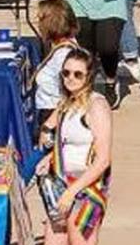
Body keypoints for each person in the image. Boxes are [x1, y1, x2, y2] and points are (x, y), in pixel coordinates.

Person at [39, 49, 114, 245]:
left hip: (87, 187)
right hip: (63, 183)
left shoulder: (96, 106)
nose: (70, 78)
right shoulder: (68, 101)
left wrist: (71, 193)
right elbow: (59, 137)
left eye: (77, 74)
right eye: (66, 73)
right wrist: (50, 157)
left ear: (89, 76)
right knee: (53, 239)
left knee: (78, 238)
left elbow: (103, 159)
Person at [33, 0, 81, 128]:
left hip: (55, 115)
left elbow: (71, 93)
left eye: (40, 19)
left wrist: (49, 126)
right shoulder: (63, 46)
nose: (38, 23)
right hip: (51, 110)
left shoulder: (64, 55)